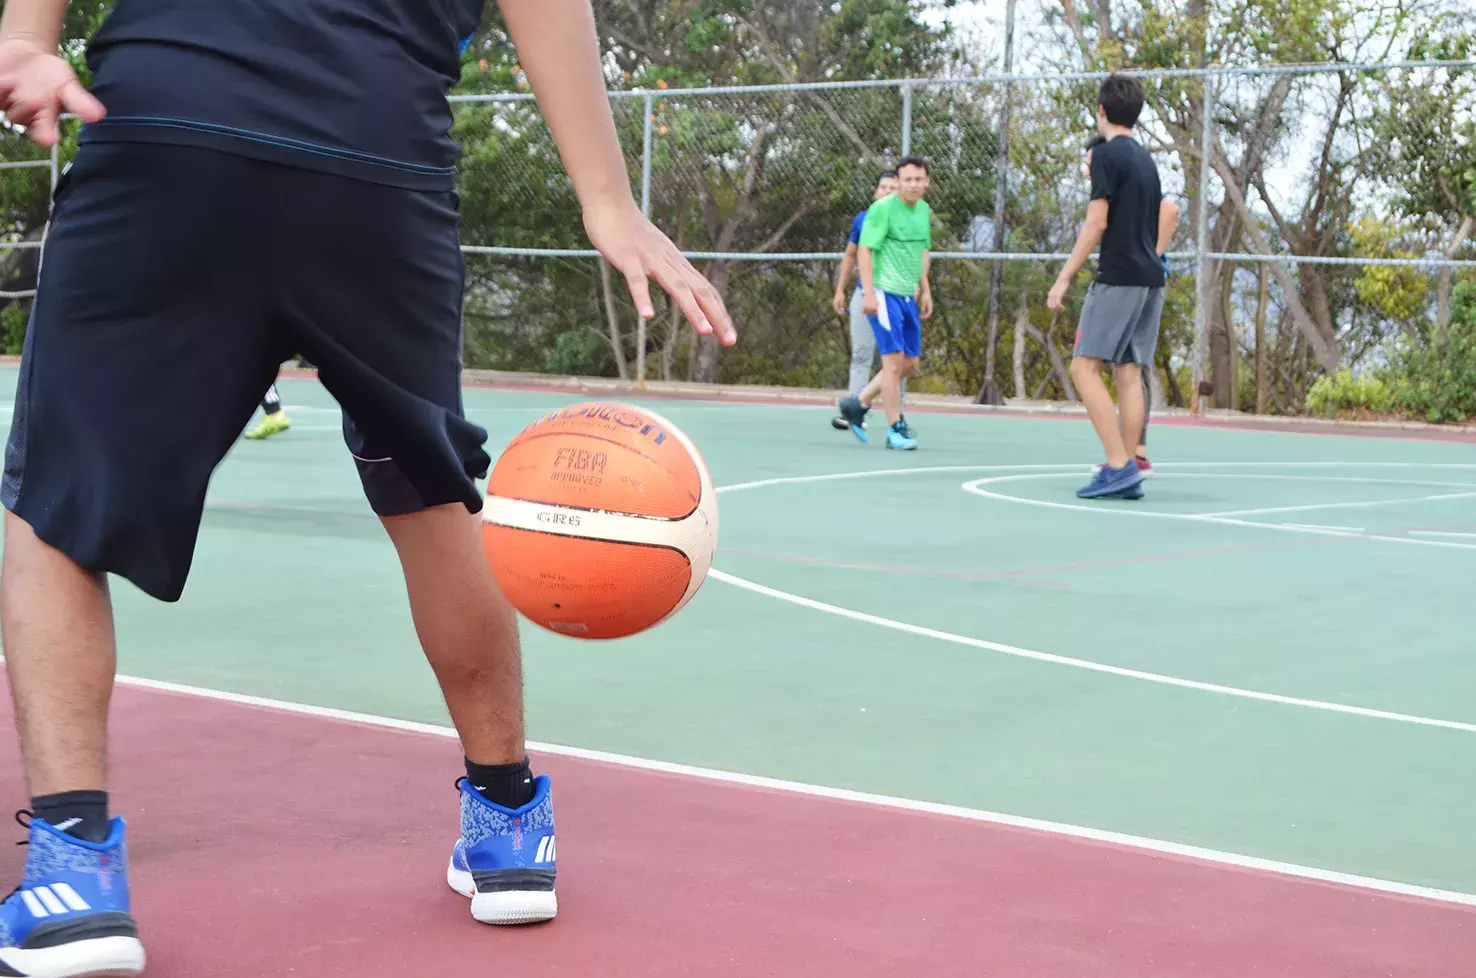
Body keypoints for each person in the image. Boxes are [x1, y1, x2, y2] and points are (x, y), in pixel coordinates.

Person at [0, 0, 735, 972]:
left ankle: (74, 875)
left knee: (56, 509)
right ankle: (510, 824)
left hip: (171, 132)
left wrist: (27, 41)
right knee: (428, 490)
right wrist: (605, 195)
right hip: (377, 161)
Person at [1048, 74, 1165, 499]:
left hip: (1119, 276)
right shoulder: (1147, 160)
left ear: (1101, 111)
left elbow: (1096, 222)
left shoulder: (1105, 157)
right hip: (1153, 278)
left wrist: (1063, 278)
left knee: (1084, 367)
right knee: (1129, 371)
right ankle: (1129, 463)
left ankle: (1118, 466)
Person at [1082, 134, 1180, 477]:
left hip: (1134, 277)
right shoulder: (1131, 172)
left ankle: (1130, 454)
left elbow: (1170, 208)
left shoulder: (1120, 169)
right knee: (1129, 365)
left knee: (1112, 366)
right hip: (1143, 275)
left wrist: (1154, 253)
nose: (1087, 169)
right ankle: (1131, 456)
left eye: (1089, 161)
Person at [836, 156, 933, 451]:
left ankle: (858, 402)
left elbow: (922, 252)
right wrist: (867, 294)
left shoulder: (923, 211)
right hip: (883, 292)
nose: (913, 185)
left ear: (927, 182)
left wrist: (925, 288)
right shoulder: (882, 210)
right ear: (900, 182)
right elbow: (863, 251)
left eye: (919, 179)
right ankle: (895, 429)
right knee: (891, 363)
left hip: (906, 295)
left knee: (909, 363)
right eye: (908, 180)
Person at [829, 170, 903, 434]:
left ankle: (896, 417)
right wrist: (840, 290)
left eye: (893, 188)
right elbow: (850, 256)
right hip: (865, 295)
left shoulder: (906, 222)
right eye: (883, 187)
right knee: (861, 355)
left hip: (895, 297)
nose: (887, 192)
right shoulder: (864, 220)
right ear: (876, 192)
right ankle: (853, 410)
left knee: (896, 359)